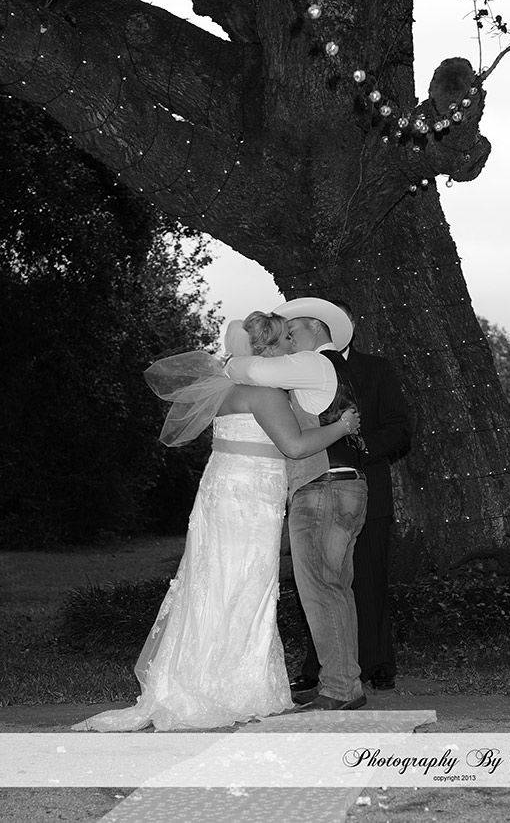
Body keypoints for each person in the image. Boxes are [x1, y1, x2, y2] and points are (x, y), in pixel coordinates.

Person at [72, 311, 360, 732]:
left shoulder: (226, 391)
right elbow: (295, 446)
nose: (290, 347)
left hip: (221, 491)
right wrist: (342, 427)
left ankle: (196, 675)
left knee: (213, 581)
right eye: (285, 341)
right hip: (250, 499)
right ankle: (231, 686)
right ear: (270, 348)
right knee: (245, 584)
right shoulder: (266, 394)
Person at [225, 298, 368, 712]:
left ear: (315, 329)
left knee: (321, 591)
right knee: (336, 590)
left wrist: (228, 363)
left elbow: (252, 370)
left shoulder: (311, 362)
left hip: (322, 488)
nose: (288, 340)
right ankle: (344, 682)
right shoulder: (333, 368)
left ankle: (340, 689)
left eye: (293, 331)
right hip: (345, 487)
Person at [290, 300, 412, 695]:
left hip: (367, 484)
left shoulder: (377, 368)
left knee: (369, 580)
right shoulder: (299, 369)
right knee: (321, 582)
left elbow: (400, 428)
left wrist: (360, 448)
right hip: (315, 484)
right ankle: (318, 668)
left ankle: (377, 663)